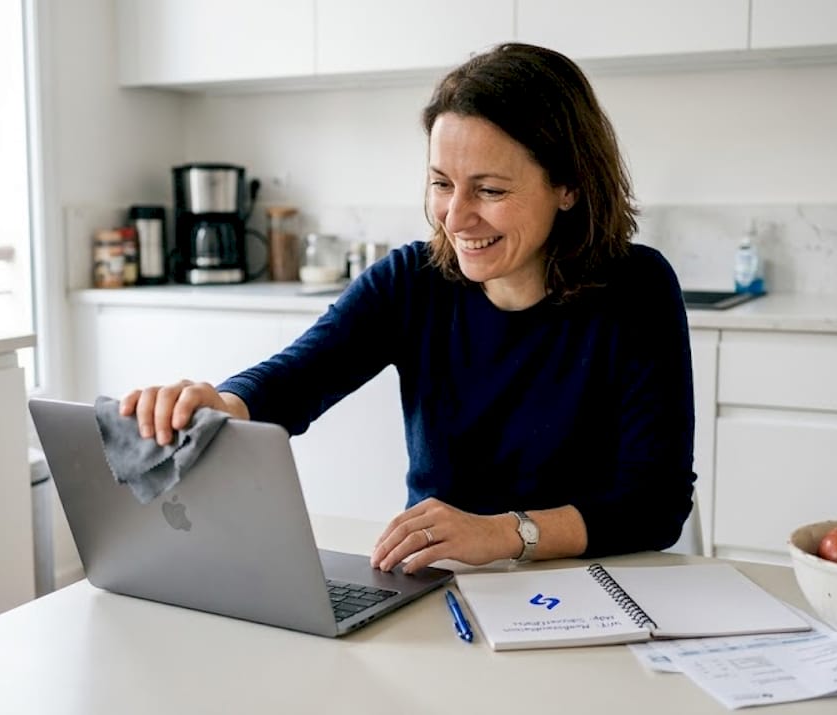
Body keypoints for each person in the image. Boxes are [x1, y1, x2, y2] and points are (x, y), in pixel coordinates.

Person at [120, 43, 695, 575]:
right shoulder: (411, 281)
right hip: (446, 581)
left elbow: (655, 506)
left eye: (490, 190)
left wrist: (504, 533)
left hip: (596, 581)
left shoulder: (636, 289)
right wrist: (220, 405)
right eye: (442, 183)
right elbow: (297, 379)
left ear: (567, 187)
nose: (456, 217)